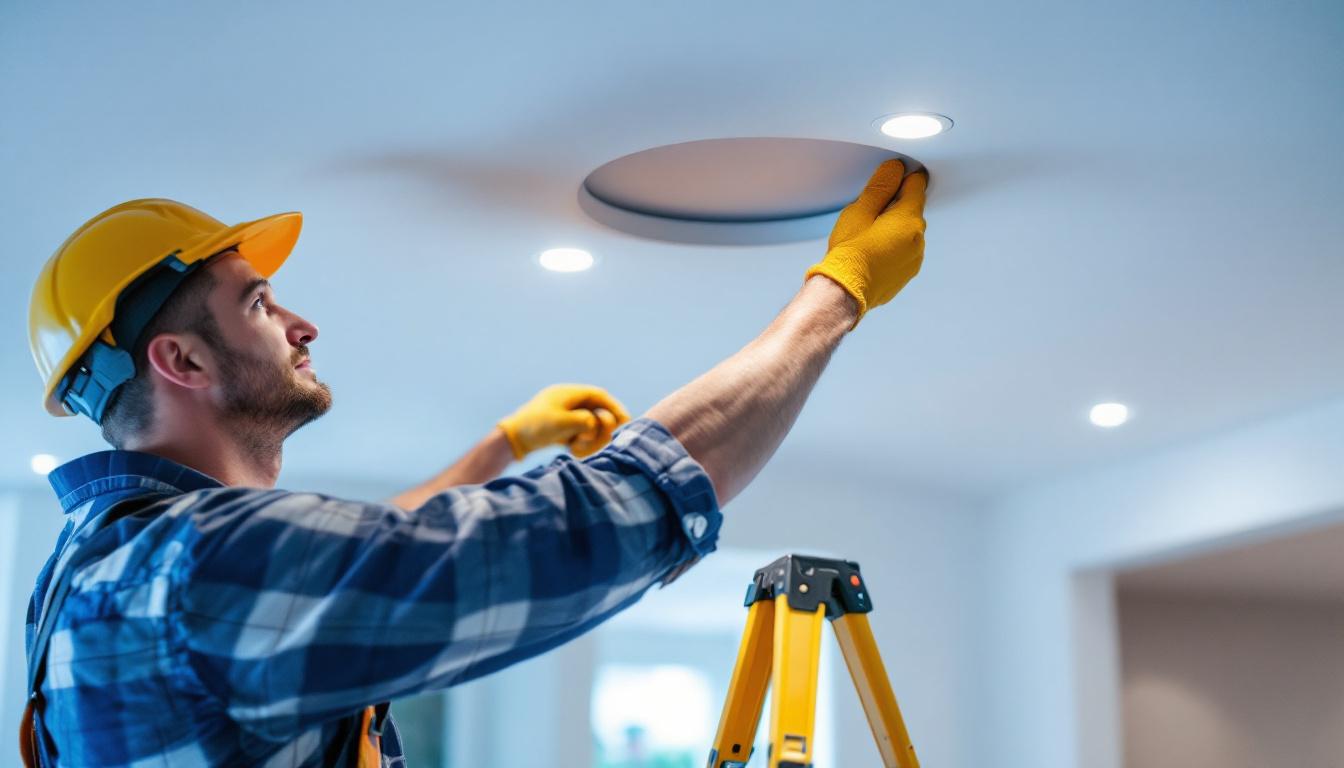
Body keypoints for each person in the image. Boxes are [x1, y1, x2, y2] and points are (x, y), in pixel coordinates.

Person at [22, 158, 927, 766]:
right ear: (182, 361)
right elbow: (583, 529)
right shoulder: (199, 569)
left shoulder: (97, 565)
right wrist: (834, 297)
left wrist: (505, 444)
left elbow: (361, 556)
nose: (303, 325)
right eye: (259, 304)